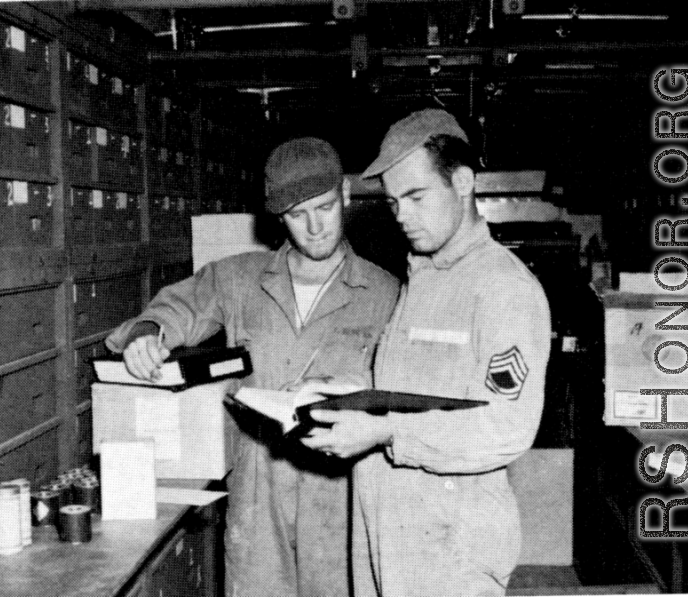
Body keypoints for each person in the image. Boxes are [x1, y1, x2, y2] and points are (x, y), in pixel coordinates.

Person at [105, 137, 400, 597]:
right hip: (258, 495)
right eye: (297, 215)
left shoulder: (386, 294)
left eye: (324, 208)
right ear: (278, 218)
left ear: (344, 195)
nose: (315, 227)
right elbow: (175, 309)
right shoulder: (240, 278)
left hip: (343, 501)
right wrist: (147, 332)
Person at [301, 110, 552, 596]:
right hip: (389, 529)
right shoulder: (425, 277)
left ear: (462, 182)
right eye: (395, 203)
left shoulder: (502, 289)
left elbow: (506, 426)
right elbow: (420, 392)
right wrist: (352, 396)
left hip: (449, 545)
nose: (402, 217)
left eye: (416, 197)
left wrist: (386, 431)